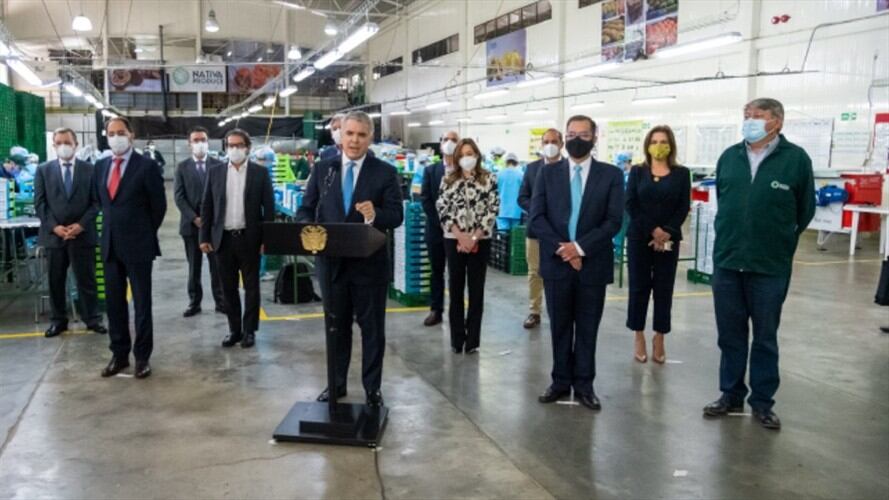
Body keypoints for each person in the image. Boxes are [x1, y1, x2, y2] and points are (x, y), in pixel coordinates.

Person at [703, 98, 815, 430]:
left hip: (769, 265)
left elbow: (804, 210)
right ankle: (730, 394)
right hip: (728, 262)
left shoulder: (795, 160)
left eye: (758, 116)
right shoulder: (729, 157)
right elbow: (724, 203)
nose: (750, 121)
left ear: (777, 122)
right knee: (730, 334)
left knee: (765, 336)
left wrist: (779, 243)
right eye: (746, 115)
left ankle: (763, 402)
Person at [296, 111, 403, 408]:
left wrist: (375, 214)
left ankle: (372, 389)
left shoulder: (384, 173)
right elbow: (306, 209)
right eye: (350, 134)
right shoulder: (323, 171)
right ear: (340, 135)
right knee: (335, 328)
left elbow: (396, 215)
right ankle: (336, 384)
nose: (355, 140)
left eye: (361, 135)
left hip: (369, 268)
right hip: (331, 266)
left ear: (370, 138)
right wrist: (307, 229)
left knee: (372, 331)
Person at [530, 115, 624, 411]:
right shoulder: (547, 173)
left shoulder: (610, 175)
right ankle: (560, 381)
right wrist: (565, 250)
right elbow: (536, 219)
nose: (576, 139)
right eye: (571, 134)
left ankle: (584, 384)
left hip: (592, 264)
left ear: (595, 138)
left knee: (587, 327)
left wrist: (580, 248)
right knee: (559, 326)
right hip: (557, 263)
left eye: (583, 134)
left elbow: (613, 221)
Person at [94, 117, 166, 379]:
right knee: (114, 304)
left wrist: (143, 232)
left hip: (138, 246)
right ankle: (119, 354)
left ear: (131, 135)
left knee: (141, 304)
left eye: (120, 132)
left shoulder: (146, 167)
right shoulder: (101, 167)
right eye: (111, 133)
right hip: (110, 245)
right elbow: (100, 202)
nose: (115, 137)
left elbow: (159, 207)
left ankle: (142, 357)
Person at [200, 129, 275, 349]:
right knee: (228, 287)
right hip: (222, 240)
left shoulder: (259, 174)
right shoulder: (214, 172)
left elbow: (268, 209)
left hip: (249, 238)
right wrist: (204, 236)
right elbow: (207, 206)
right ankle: (234, 330)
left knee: (252, 287)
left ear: (247, 148)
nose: (234, 149)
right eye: (230, 146)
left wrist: (267, 239)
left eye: (238, 145)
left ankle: (250, 330)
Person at [625, 125, 690, 364]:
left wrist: (666, 232)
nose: (659, 145)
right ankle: (639, 335)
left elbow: (683, 206)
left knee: (664, 290)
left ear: (671, 144)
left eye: (663, 141)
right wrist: (652, 229)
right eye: (654, 141)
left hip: (668, 240)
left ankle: (660, 337)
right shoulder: (637, 172)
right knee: (639, 288)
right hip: (640, 237)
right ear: (647, 145)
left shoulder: (682, 173)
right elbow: (631, 204)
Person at [33, 128, 106, 338]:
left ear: (75, 144)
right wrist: (55, 227)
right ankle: (58, 320)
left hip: (82, 234)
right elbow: (40, 203)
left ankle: (92, 318)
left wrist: (81, 225)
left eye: (67, 142)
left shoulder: (90, 170)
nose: (63, 146)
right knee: (56, 280)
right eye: (59, 142)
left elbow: (96, 202)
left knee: (86, 279)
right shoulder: (43, 170)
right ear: (54, 146)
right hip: (54, 236)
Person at [436, 138, 500, 354]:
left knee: (476, 290)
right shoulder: (448, 180)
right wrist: (460, 236)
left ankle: (472, 340)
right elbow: (443, 208)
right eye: (462, 154)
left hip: (480, 240)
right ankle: (456, 339)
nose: (467, 158)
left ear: (477, 155)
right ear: (457, 158)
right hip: (453, 240)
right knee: (455, 289)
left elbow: (492, 209)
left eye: (470, 153)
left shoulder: (488, 179)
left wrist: (474, 237)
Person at [174, 126, 225, 317]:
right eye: (195, 140)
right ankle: (194, 303)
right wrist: (194, 218)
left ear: (208, 141)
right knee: (194, 267)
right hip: (191, 226)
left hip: (213, 228)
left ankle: (221, 302)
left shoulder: (218, 165)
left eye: (202, 139)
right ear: (189, 144)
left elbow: (222, 195)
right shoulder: (182, 167)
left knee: (217, 267)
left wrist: (211, 220)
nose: (199, 143)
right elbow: (179, 197)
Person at [518, 128, 563, 329]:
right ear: (541, 145)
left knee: (560, 272)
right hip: (536, 231)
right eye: (546, 141)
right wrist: (538, 211)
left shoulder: (569, 169)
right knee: (535, 271)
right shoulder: (532, 169)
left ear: (561, 144)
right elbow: (522, 197)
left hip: (561, 232)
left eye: (554, 141)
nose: (550, 145)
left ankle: (560, 311)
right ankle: (534, 311)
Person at [420, 130, 459, 327]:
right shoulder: (430, 171)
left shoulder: (465, 171)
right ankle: (436, 309)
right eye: (446, 139)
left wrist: (456, 226)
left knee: (457, 273)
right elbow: (425, 200)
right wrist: (442, 222)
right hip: (436, 231)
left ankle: (456, 311)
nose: (450, 143)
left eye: (454, 140)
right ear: (440, 143)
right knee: (436, 271)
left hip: (460, 233)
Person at [496, 153, 524, 231]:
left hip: (501, 210)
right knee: (514, 238)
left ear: (506, 162)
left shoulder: (498, 174)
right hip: (516, 210)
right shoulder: (521, 175)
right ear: (516, 163)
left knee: (502, 237)